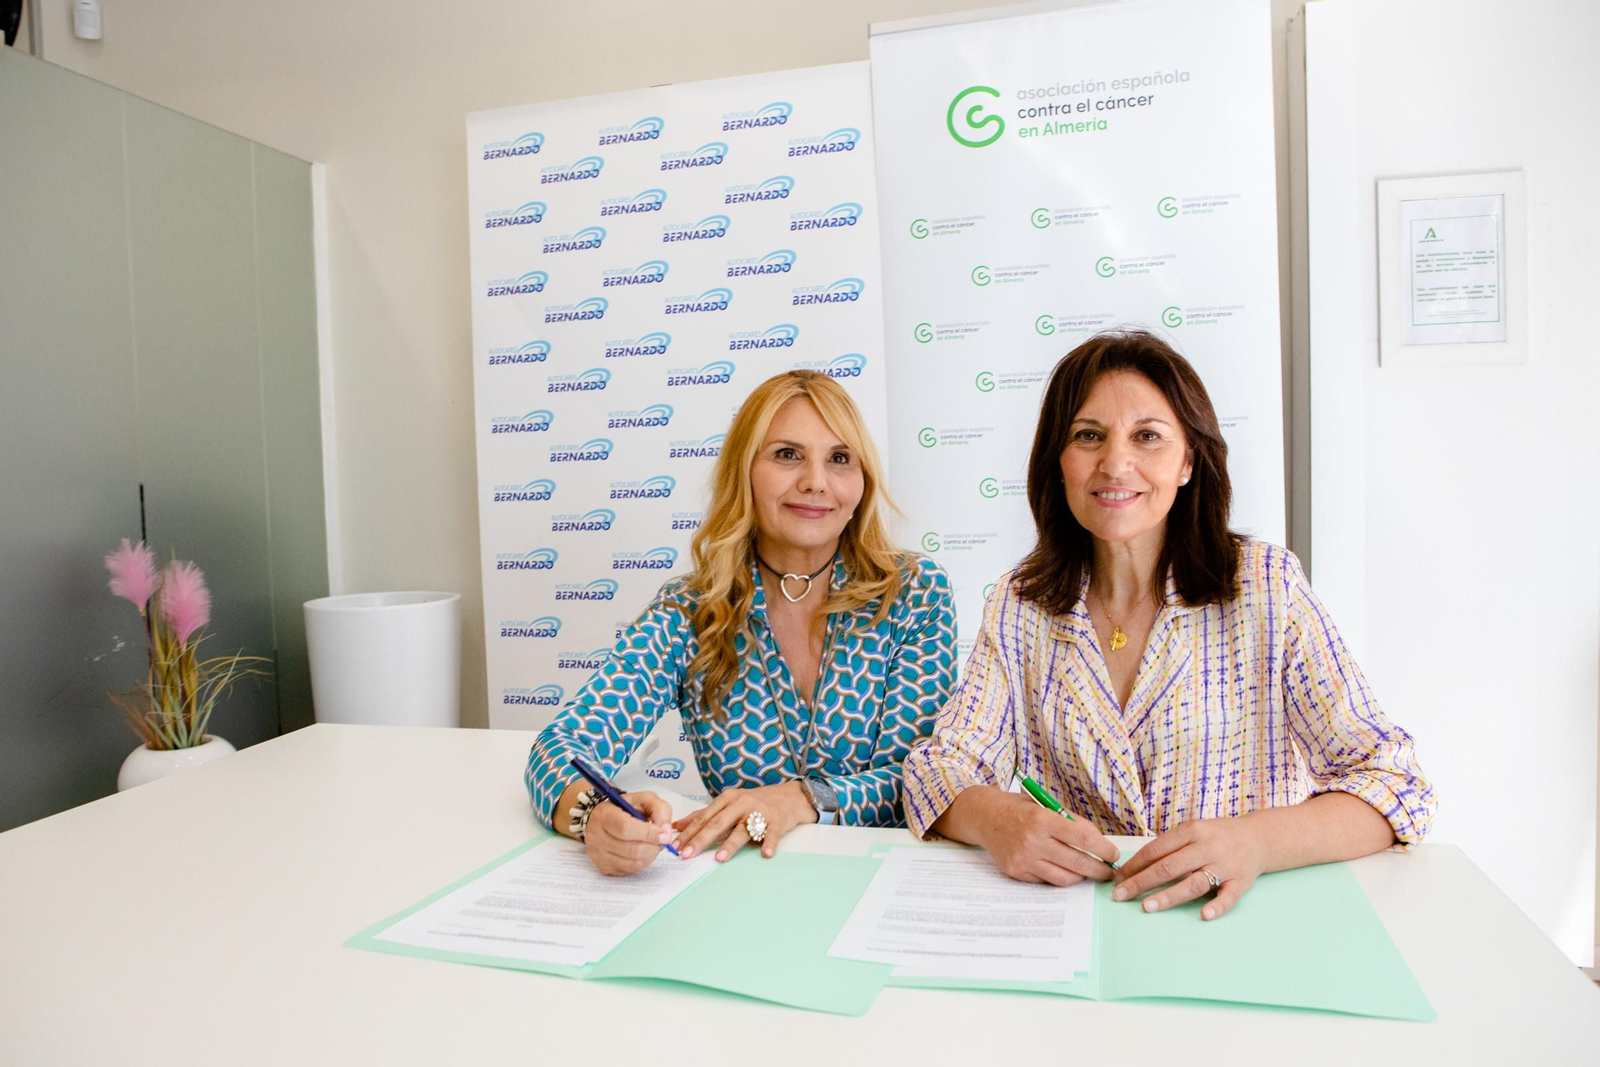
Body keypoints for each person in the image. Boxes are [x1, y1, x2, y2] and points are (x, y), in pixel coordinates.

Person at [902, 330, 1435, 921]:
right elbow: (938, 765)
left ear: (1187, 461)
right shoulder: (1020, 603)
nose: (1115, 463)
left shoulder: (1267, 586)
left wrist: (1255, 842)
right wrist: (998, 820)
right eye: (1088, 436)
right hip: (1079, 929)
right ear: (1059, 461)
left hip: (1234, 923)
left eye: (1148, 437)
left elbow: (1393, 781)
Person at [525, 370, 956, 875]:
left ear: (862, 482)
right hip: (742, 885)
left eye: (840, 459)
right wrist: (592, 816)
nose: (816, 481)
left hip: (885, 878)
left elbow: (921, 780)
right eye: (787, 454)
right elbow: (559, 750)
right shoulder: (693, 609)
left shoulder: (913, 592)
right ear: (744, 471)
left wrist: (802, 799)